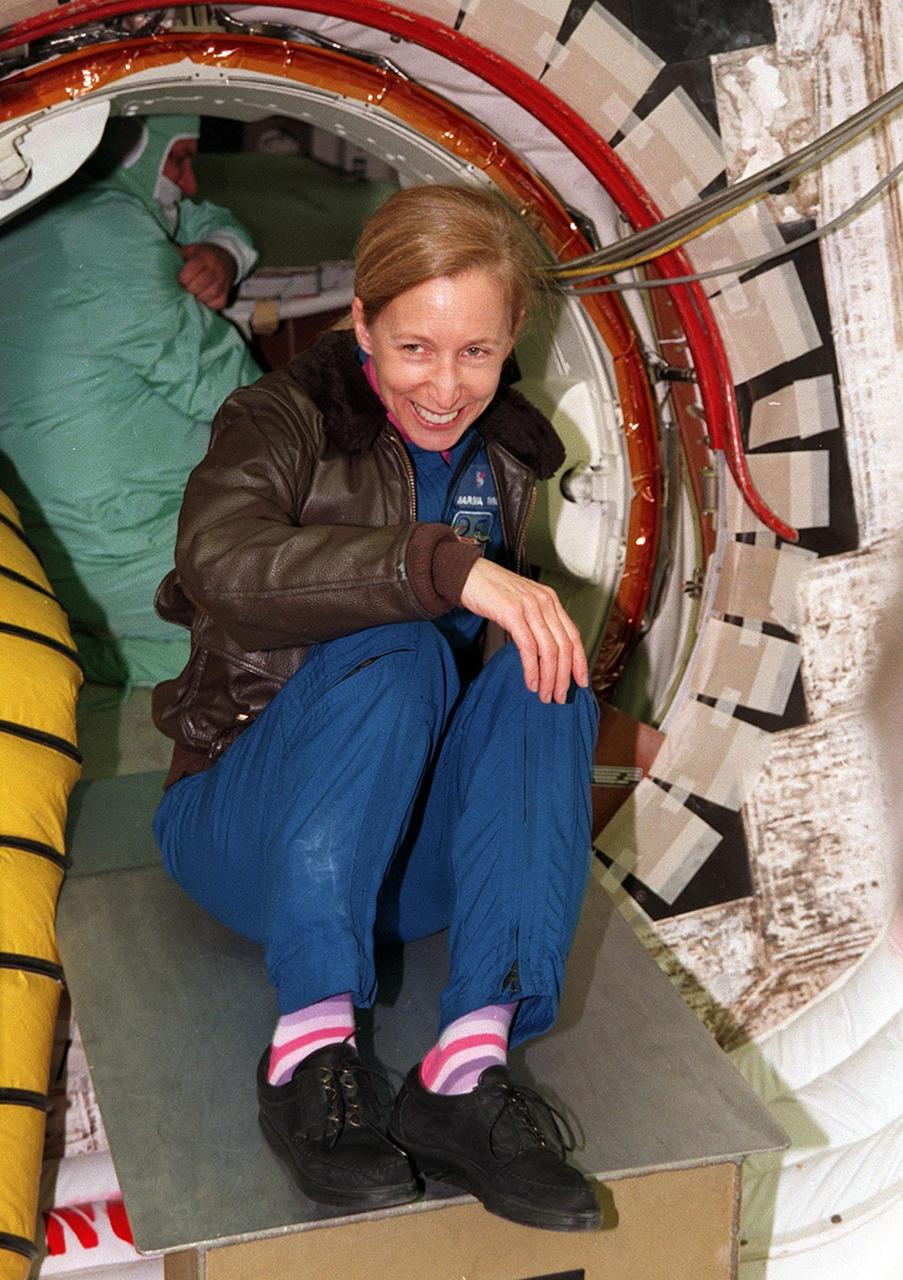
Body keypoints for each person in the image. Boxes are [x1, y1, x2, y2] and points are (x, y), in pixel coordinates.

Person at [151, 184, 602, 1231]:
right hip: (253, 819)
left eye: (477, 354)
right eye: (414, 348)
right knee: (398, 649)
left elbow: (504, 718)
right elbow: (219, 560)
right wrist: (441, 568)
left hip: (406, 866)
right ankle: (311, 1043)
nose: (446, 388)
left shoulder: (510, 454)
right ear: (360, 319)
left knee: (548, 666)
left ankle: (466, 1064)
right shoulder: (279, 419)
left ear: (509, 343)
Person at [0, 115, 261, 686]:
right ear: (128, 147)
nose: (189, 184)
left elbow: (195, 212)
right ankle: (114, 661)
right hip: (147, 561)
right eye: (180, 160)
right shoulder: (103, 230)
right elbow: (237, 396)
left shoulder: (43, 205)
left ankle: (84, 656)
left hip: (53, 571)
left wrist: (222, 252)